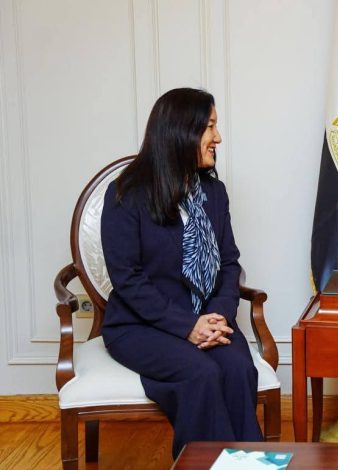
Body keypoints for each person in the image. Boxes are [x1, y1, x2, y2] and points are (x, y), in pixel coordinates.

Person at [101, 88, 262, 457]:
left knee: (239, 368)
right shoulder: (126, 194)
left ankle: (248, 464)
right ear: (180, 131)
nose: (218, 137)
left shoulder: (214, 193)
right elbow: (127, 278)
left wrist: (217, 317)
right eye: (209, 127)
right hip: (141, 326)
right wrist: (187, 326)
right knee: (200, 373)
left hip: (209, 318)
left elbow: (229, 263)